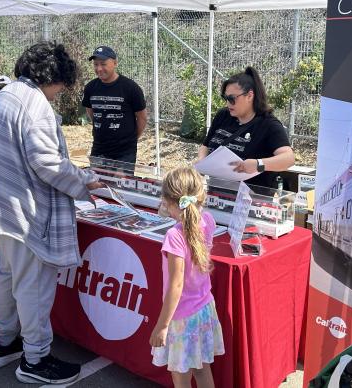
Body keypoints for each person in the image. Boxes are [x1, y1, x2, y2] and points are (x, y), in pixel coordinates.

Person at [0, 41, 103, 384]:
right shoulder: (34, 103)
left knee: (6, 275)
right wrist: (83, 180)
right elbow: (46, 162)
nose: (61, 90)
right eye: (62, 82)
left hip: (0, 206)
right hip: (26, 212)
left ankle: (5, 343)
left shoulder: (4, 95)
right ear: (52, 76)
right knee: (33, 286)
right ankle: (35, 359)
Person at [150, 167, 224, 388]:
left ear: (170, 201)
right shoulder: (207, 220)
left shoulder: (174, 236)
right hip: (204, 309)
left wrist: (162, 326)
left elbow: (176, 285)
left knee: (181, 375)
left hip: (181, 317)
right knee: (202, 369)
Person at [198, 66, 295, 189]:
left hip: (251, 199)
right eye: (225, 98)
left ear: (249, 96)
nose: (228, 104)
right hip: (216, 193)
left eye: (232, 99)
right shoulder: (223, 115)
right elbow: (205, 146)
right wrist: (202, 161)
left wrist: (258, 164)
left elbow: (288, 158)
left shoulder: (268, 124)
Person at [82, 45, 147, 168]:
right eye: (96, 64)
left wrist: (131, 139)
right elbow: (91, 111)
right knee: (98, 184)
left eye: (103, 64)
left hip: (124, 152)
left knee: (122, 185)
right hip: (99, 149)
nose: (99, 68)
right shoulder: (90, 87)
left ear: (115, 63)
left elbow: (142, 118)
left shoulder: (130, 88)